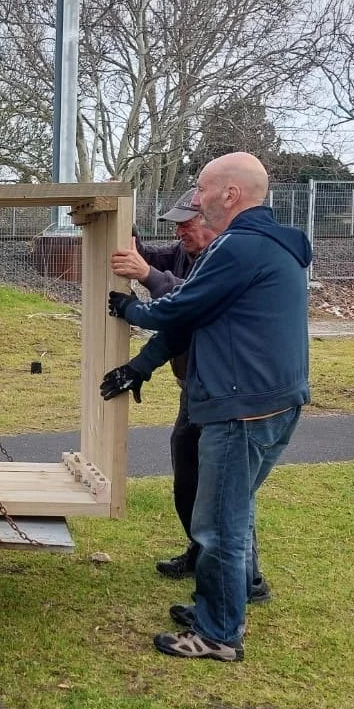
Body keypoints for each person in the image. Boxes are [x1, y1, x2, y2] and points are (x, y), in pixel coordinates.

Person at [106, 153, 311, 662]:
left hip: (241, 409)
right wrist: (141, 366)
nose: (194, 200)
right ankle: (240, 591)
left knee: (218, 522)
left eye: (200, 189)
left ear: (231, 195)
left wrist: (132, 308)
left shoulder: (240, 248)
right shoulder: (263, 246)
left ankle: (218, 633)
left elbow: (178, 309)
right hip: (269, 403)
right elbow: (194, 320)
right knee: (231, 510)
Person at [104, 190, 271, 602]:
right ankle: (201, 552)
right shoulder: (185, 250)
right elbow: (149, 256)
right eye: (176, 225)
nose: (180, 233)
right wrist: (123, 225)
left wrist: (144, 281)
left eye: (188, 223)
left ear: (213, 221)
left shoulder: (228, 258)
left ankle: (248, 580)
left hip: (230, 394)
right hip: (195, 389)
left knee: (230, 492)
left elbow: (184, 302)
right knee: (189, 478)